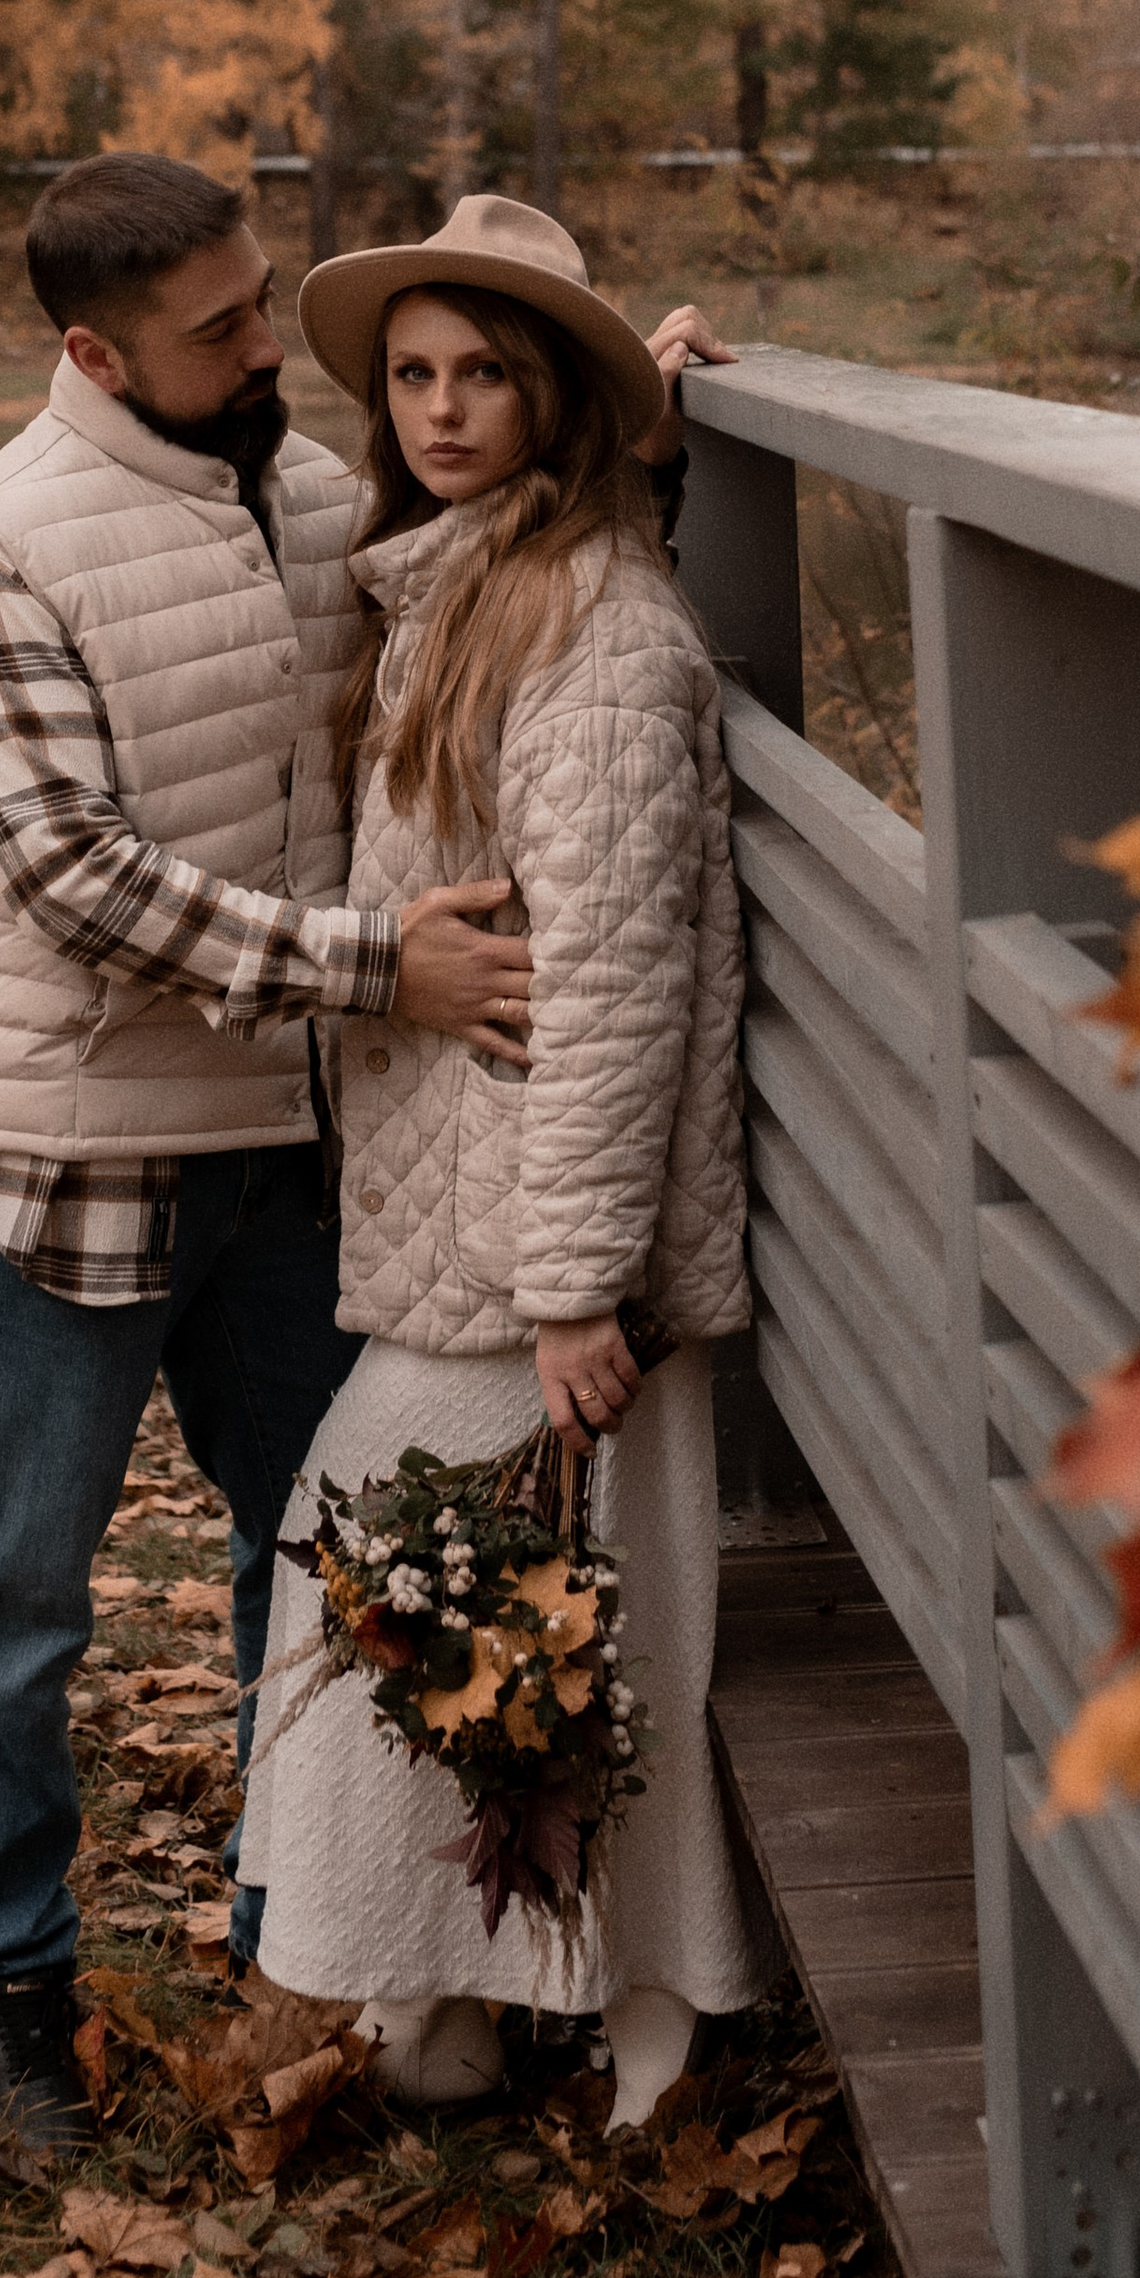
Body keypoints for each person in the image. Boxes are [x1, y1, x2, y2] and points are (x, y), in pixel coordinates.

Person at [0, 153, 727, 2174]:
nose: (275, 348)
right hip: (70, 1165)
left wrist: (653, 422)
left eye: (266, 301)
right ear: (96, 350)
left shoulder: (295, 493)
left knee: (365, 1565)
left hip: (283, 1157)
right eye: (220, 326)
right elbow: (76, 881)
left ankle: (387, 1950)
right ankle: (1, 1980)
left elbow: (515, 595)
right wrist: (384, 965)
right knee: (17, 1599)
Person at [243, 194, 774, 2128]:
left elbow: (620, 982)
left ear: (552, 401)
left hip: (543, 1245)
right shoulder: (457, 582)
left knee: (480, 1596)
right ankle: (460, 2005)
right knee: (498, 1612)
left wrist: (572, 1288)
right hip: (465, 1208)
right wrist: (663, 431)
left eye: (488, 374)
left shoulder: (601, 636)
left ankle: (645, 2013)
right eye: (415, 375)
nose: (445, 408)